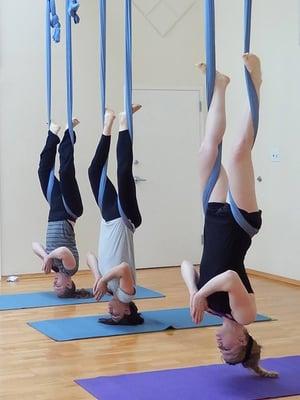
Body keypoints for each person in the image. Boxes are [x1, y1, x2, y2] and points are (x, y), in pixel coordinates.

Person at [181, 54, 278, 378]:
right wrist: (201, 294)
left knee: (208, 150)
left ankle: (221, 85)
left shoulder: (208, 307)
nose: (220, 345)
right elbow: (230, 279)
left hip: (213, 215)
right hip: (240, 222)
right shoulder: (245, 315)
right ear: (244, 339)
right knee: (237, 152)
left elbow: (185, 265)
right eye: (229, 349)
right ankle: (256, 82)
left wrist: (193, 291)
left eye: (220, 351)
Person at [87, 105, 144, 325]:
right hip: (126, 219)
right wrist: (104, 280)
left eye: (109, 315)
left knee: (94, 172)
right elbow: (123, 269)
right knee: (123, 172)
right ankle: (123, 122)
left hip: (109, 217)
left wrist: (98, 278)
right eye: (116, 314)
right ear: (128, 311)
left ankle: (107, 124)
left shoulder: (110, 290)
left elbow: (91, 256)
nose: (110, 311)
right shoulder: (126, 294)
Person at [32, 119, 90, 298]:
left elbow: (34, 245)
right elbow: (64, 252)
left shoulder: (54, 265)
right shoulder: (70, 268)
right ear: (70, 283)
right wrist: (49, 257)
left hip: (55, 209)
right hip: (70, 210)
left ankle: (52, 134)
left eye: (54, 288)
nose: (54, 284)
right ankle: (69, 133)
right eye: (59, 287)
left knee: (43, 172)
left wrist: (45, 256)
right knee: (65, 172)